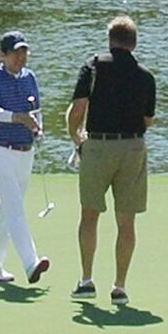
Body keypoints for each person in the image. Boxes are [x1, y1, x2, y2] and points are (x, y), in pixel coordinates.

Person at [65, 15, 155, 305]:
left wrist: (74, 135)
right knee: (126, 221)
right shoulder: (145, 75)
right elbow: (148, 119)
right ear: (134, 42)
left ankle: (87, 280)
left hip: (99, 145)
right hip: (132, 148)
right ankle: (119, 286)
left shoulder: (93, 66)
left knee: (89, 214)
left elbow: (78, 107)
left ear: (110, 39)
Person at [0, 31, 50, 284]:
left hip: (25, 150)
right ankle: (30, 263)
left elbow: (35, 110)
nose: (20, 58)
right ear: (3, 55)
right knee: (15, 209)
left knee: (8, 210)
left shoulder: (29, 77)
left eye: (24, 52)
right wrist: (19, 117)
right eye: (15, 53)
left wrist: (37, 128)